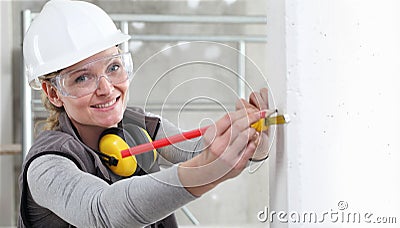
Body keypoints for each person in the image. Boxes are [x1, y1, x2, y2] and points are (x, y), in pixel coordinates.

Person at [17, 0, 270, 227]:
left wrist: (255, 139)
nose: (106, 89)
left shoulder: (139, 126)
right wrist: (203, 170)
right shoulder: (46, 165)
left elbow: (201, 150)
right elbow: (101, 212)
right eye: (83, 78)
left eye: (114, 67)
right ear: (53, 93)